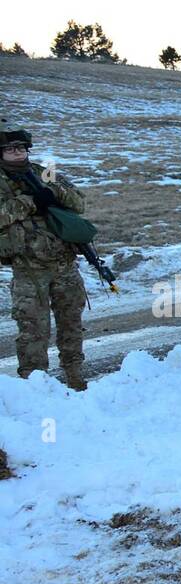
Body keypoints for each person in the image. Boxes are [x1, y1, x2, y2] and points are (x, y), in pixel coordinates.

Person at [0, 121, 89, 390]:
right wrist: (30, 202)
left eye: (21, 147)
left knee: (71, 322)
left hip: (64, 262)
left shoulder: (44, 173)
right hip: (28, 268)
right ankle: (34, 384)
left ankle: (74, 373)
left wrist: (53, 192)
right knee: (33, 329)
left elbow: (78, 202)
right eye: (10, 148)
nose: (17, 152)